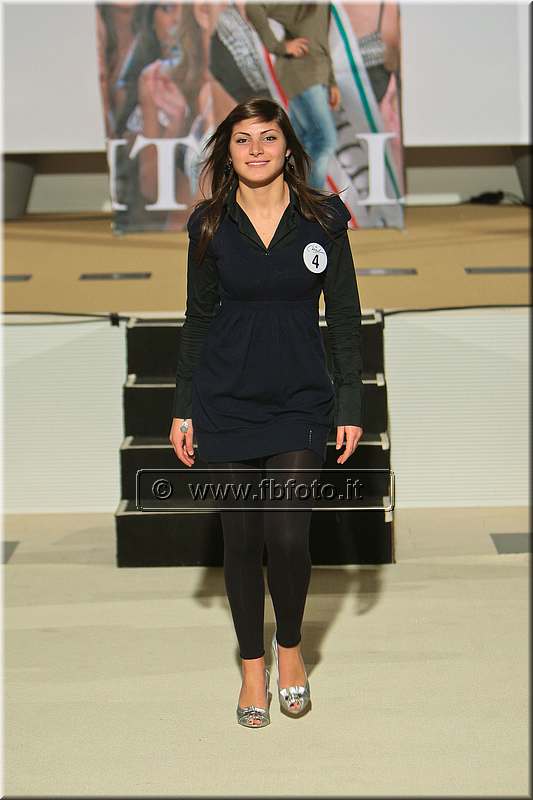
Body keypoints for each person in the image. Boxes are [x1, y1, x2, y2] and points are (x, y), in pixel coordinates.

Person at [169, 96, 364, 728]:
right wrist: (183, 407)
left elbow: (345, 319)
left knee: (287, 536)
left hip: (301, 400)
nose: (256, 149)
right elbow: (197, 319)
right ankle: (251, 666)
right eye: (242, 139)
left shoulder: (324, 220)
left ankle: (290, 649)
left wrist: (351, 402)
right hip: (225, 400)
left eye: (268, 137)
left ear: (288, 147)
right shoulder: (208, 225)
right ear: (228, 153)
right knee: (242, 539)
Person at [244, 3, 340, 190]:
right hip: (302, 72)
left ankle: (294, 197)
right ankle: (310, 200)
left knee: (302, 142)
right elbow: (254, 6)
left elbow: (321, 38)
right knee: (324, 139)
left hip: (315, 73)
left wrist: (331, 81)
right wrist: (278, 46)